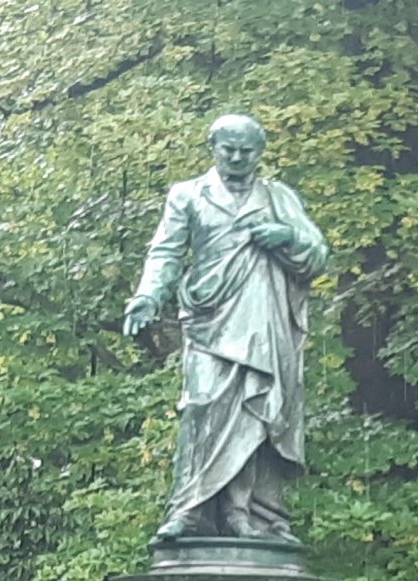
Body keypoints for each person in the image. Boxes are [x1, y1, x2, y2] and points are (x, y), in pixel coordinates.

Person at [122, 114, 331, 542]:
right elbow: (164, 252)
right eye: (228, 149)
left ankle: (248, 514)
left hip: (263, 319)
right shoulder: (188, 195)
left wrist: (286, 237)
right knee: (202, 409)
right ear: (212, 148)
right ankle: (190, 509)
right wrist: (146, 296)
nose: (237, 157)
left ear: (261, 152)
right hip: (210, 318)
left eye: (247, 150)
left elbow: (318, 253)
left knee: (258, 408)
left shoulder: (279, 198)